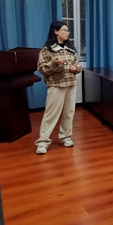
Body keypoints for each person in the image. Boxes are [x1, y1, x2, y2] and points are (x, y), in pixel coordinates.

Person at [35, 21, 81, 155]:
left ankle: (65, 137)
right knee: (51, 114)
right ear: (56, 31)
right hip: (56, 86)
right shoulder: (47, 50)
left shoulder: (70, 49)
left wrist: (76, 68)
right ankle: (43, 142)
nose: (67, 33)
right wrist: (54, 63)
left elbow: (78, 65)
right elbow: (42, 68)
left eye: (68, 31)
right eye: (64, 30)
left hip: (70, 84)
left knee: (69, 113)